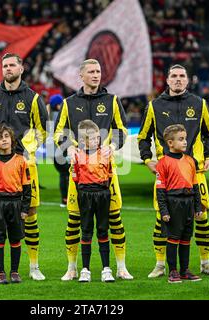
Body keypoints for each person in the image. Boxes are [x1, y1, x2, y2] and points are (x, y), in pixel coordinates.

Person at [137, 64, 209, 278]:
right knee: (161, 218)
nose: (177, 79)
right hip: (166, 173)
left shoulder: (199, 104)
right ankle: (160, 265)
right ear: (167, 80)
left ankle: (205, 263)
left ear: (188, 80)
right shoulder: (154, 106)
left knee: (201, 217)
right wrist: (147, 160)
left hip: (195, 172)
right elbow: (143, 137)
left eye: (182, 76)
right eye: (173, 76)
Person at [54, 59, 133, 281]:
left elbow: (123, 130)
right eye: (91, 71)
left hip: (105, 172)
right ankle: (72, 267)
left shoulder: (112, 100)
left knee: (115, 219)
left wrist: (112, 145)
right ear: (81, 75)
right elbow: (58, 131)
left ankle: (121, 267)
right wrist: (68, 147)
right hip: (78, 173)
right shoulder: (69, 103)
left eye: (98, 71)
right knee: (75, 221)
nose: (96, 75)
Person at [0, 53, 48, 281]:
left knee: (29, 214)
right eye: (5, 66)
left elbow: (42, 130)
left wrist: (28, 149)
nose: (8, 69)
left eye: (12, 65)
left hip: (25, 165)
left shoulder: (34, 98)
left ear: (22, 68)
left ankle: (34, 266)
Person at [156, 124, 203, 284]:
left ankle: (184, 270)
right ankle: (173, 271)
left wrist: (198, 207)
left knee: (186, 238)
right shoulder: (163, 163)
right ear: (170, 143)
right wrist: (164, 211)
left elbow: (195, 186)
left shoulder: (190, 160)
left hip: (188, 203)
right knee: (173, 238)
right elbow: (160, 190)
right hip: (173, 203)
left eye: (185, 139)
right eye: (181, 139)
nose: (185, 142)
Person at [0, 125, 31, 284]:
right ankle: (0, 273)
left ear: (12, 140)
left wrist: (25, 208)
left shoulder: (21, 161)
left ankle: (14, 271)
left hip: (16, 203)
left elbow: (27, 187)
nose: (4, 139)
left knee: (15, 239)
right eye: (0, 137)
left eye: (6, 136)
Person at [72, 120, 114, 283]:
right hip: (85, 194)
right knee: (87, 230)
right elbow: (75, 177)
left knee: (103, 230)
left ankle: (106, 269)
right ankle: (85, 269)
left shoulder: (105, 153)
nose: (97, 141)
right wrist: (84, 192)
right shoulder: (77, 155)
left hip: (103, 193)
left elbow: (109, 174)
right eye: (93, 138)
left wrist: (103, 189)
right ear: (83, 141)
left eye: (98, 138)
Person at [49, 94, 70, 207]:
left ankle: (65, 198)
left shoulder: (49, 116)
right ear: (58, 105)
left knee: (63, 174)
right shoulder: (59, 116)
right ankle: (67, 198)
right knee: (68, 173)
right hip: (60, 150)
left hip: (52, 151)